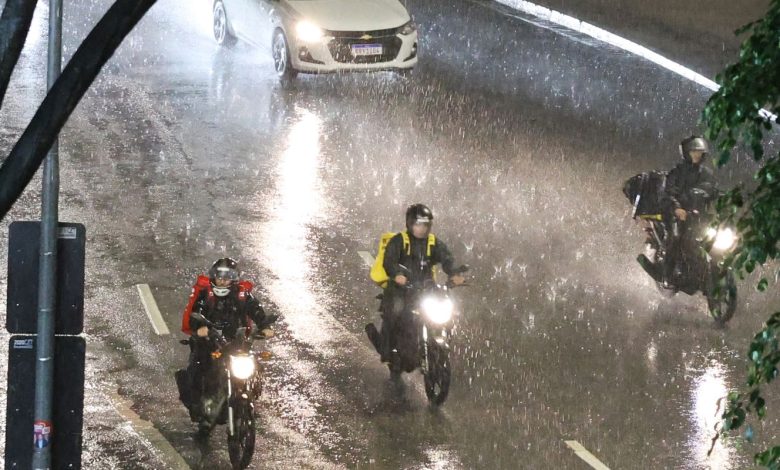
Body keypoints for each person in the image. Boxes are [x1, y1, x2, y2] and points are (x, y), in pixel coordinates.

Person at [176, 258, 275, 420]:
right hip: (210, 342)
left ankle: (250, 395)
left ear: (234, 279)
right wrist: (200, 328)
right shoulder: (204, 294)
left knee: (255, 366)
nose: (222, 281)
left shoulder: (243, 296)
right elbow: (196, 312)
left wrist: (265, 326)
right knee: (198, 367)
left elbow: (256, 310)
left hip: (237, 342)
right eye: (219, 277)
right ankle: (198, 405)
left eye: (227, 277)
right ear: (213, 277)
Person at [365, 204, 465, 362]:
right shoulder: (399, 241)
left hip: (425, 288)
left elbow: (447, 259)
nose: (422, 228)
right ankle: (385, 348)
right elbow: (389, 261)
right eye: (418, 224)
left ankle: (437, 340)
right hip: (400, 289)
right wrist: (397, 275)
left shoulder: (433, 243)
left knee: (447, 310)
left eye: (425, 224)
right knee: (394, 312)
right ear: (410, 224)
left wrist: (454, 273)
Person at [637, 136, 718, 284]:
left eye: (699, 152)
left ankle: (703, 272)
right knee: (675, 238)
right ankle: (665, 275)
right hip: (677, 215)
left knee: (717, 239)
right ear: (686, 153)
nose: (696, 155)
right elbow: (668, 193)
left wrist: (728, 199)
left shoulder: (706, 173)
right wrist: (677, 208)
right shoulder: (677, 172)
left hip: (698, 216)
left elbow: (714, 190)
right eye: (693, 151)